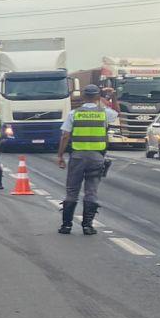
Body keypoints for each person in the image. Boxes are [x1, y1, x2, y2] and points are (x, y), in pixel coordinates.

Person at [56, 85, 117, 235]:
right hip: (97, 157)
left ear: (83, 97)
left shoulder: (74, 114)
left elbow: (65, 136)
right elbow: (117, 113)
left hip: (77, 157)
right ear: (98, 97)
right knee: (91, 191)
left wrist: (60, 156)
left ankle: (66, 226)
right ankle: (87, 226)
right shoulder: (105, 113)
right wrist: (112, 97)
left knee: (72, 191)